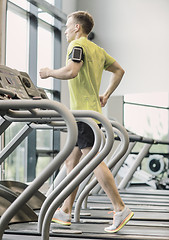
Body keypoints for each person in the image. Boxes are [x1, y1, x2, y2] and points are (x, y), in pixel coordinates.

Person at [39, 10, 134, 233]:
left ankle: (120, 208)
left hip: (84, 116)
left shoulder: (77, 46)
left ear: (77, 28)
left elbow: (72, 71)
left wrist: (49, 72)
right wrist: (107, 94)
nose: (64, 31)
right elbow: (119, 70)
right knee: (72, 163)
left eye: (67, 26)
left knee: (93, 161)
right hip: (87, 115)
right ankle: (65, 210)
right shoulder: (98, 51)